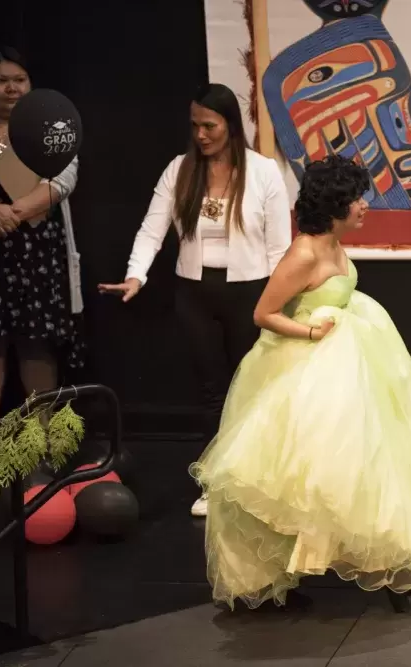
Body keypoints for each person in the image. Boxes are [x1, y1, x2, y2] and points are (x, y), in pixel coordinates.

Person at [190, 155, 411, 611]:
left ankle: (397, 570)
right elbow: (264, 313)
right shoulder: (304, 252)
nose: (365, 206)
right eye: (357, 198)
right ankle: (303, 576)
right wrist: (311, 331)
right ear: (335, 203)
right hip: (311, 368)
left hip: (354, 357)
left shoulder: (334, 243)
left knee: (375, 464)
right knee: (312, 478)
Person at [99, 84, 291, 518]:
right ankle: (215, 482)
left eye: (210, 125)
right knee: (211, 391)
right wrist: (136, 275)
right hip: (195, 293)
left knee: (251, 389)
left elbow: (281, 248)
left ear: (229, 125)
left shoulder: (263, 173)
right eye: (195, 126)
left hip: (250, 293)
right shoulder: (180, 170)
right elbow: (153, 229)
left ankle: (258, 478)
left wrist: (282, 302)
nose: (201, 134)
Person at [0, 47, 83, 434]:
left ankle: (40, 442)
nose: (11, 88)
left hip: (35, 254)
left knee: (36, 343)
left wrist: (11, 215)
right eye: (1, 80)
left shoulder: (50, 126)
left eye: (19, 80)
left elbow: (62, 181)